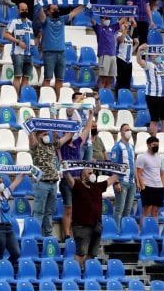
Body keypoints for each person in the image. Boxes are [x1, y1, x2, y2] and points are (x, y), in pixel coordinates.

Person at [65, 167, 119, 269]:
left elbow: (111, 179)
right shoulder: (78, 185)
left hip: (97, 226)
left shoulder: (98, 186)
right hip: (82, 227)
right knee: (81, 253)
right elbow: (69, 178)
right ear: (83, 175)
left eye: (93, 172)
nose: (92, 174)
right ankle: (76, 275)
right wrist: (66, 170)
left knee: (92, 254)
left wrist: (120, 172)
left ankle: (86, 273)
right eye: (89, 172)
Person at [57, 106, 94, 241]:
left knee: (78, 209)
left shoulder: (78, 143)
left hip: (78, 180)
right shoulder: (61, 145)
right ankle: (67, 235)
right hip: (67, 180)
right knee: (68, 208)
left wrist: (91, 115)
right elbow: (55, 132)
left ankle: (75, 233)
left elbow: (87, 130)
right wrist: (53, 114)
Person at [29, 127, 74, 236]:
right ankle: (35, 235)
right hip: (42, 183)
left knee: (49, 212)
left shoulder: (52, 146)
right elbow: (30, 137)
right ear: (39, 136)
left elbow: (68, 136)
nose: (47, 135)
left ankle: (48, 234)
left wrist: (73, 126)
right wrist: (30, 126)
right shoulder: (36, 147)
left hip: (53, 183)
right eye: (44, 134)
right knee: (39, 211)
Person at [38, 3, 87, 98]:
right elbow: (41, 16)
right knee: (47, 78)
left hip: (61, 54)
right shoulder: (46, 21)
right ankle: (44, 98)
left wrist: (84, 5)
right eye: (53, 9)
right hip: (49, 54)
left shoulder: (62, 19)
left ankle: (57, 99)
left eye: (57, 9)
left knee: (60, 79)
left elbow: (74, 12)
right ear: (48, 11)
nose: (56, 11)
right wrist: (40, 5)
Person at [135, 44, 164, 135]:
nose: (158, 56)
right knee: (155, 120)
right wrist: (140, 49)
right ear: (151, 57)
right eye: (156, 55)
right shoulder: (148, 65)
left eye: (159, 55)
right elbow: (139, 60)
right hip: (153, 96)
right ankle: (154, 140)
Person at [0, 171, 24, 265]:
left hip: (8, 229)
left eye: (2, 182)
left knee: (16, 253)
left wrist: (24, 172)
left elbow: (15, 183)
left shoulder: (5, 194)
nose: (1, 184)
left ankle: (5, 268)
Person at [4, 3, 35, 95]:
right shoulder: (14, 22)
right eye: (22, 10)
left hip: (29, 54)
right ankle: (16, 97)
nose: (24, 11)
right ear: (18, 10)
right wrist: (18, 42)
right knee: (18, 76)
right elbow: (6, 35)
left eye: (26, 10)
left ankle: (22, 97)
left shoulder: (30, 23)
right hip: (18, 53)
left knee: (26, 78)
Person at [135, 136, 164, 227]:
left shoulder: (160, 158)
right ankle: (142, 232)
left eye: (157, 144)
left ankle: (154, 231)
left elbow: (162, 173)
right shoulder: (142, 157)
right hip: (147, 186)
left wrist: (163, 186)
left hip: (159, 187)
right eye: (154, 144)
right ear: (148, 145)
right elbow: (138, 173)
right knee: (146, 211)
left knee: (156, 212)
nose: (156, 146)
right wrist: (142, 185)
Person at [111, 124, 136, 233]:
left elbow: (133, 164)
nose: (129, 131)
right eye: (126, 130)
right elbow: (113, 165)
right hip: (121, 181)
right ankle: (116, 231)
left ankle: (124, 231)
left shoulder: (131, 147)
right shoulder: (117, 147)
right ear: (121, 132)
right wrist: (116, 182)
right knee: (119, 209)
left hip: (131, 182)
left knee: (127, 209)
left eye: (130, 129)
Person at [90, 15, 124, 89]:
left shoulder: (112, 28)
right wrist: (90, 12)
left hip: (113, 56)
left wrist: (127, 11)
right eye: (105, 18)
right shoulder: (99, 28)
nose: (107, 19)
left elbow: (122, 21)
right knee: (103, 79)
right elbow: (92, 20)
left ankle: (107, 98)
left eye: (108, 18)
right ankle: (101, 98)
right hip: (104, 55)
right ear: (101, 19)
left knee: (109, 80)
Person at [115, 17, 138, 92]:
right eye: (123, 23)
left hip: (129, 61)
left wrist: (136, 45)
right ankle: (120, 98)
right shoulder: (117, 34)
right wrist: (125, 30)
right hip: (121, 59)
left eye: (126, 23)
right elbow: (121, 40)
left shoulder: (128, 36)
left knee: (127, 81)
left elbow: (130, 51)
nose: (125, 25)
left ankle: (126, 97)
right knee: (121, 81)